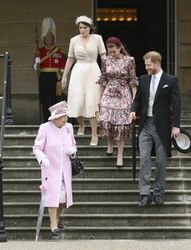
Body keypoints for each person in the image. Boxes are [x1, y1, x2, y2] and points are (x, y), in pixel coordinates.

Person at [130, 51, 181, 206]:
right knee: (144, 159)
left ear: (157, 63)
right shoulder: (144, 80)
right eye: (146, 65)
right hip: (145, 125)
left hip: (162, 126)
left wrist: (176, 126)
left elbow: (177, 104)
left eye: (148, 65)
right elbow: (138, 99)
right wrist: (133, 110)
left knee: (160, 161)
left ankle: (158, 193)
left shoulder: (171, 80)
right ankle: (144, 194)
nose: (146, 68)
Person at [33, 101, 76, 239]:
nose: (66, 119)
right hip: (50, 168)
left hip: (66, 168)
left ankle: (56, 218)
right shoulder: (44, 128)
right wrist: (42, 158)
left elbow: (73, 144)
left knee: (64, 199)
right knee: (53, 196)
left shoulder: (69, 127)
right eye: (64, 116)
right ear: (56, 117)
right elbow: (37, 148)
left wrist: (73, 151)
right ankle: (53, 225)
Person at [61, 15, 106, 146]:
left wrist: (106, 74)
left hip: (93, 69)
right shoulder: (74, 40)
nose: (82, 30)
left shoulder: (97, 38)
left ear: (90, 28)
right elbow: (70, 58)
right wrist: (65, 76)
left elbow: (103, 57)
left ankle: (94, 133)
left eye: (84, 28)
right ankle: (81, 124)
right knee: (78, 100)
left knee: (93, 102)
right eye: (80, 27)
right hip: (78, 70)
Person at [97, 36, 137, 168]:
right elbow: (103, 79)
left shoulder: (129, 60)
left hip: (123, 93)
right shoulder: (105, 60)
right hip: (108, 92)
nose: (112, 54)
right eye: (110, 52)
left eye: (114, 51)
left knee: (121, 125)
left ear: (120, 48)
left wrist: (134, 99)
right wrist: (99, 98)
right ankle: (110, 144)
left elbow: (132, 80)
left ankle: (119, 155)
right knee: (107, 121)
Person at [33, 17, 66, 122]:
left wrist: (61, 77)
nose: (48, 41)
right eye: (46, 39)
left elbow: (63, 66)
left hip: (55, 77)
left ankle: (56, 119)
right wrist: (37, 59)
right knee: (44, 99)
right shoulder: (40, 51)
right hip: (44, 77)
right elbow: (35, 66)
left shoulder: (59, 52)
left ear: (53, 39)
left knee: (56, 99)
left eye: (50, 39)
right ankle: (46, 120)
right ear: (44, 40)